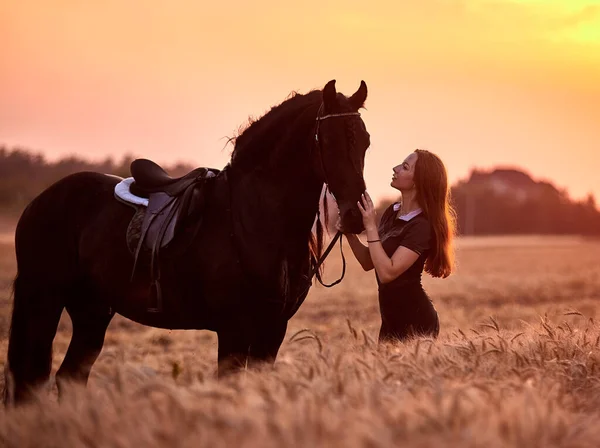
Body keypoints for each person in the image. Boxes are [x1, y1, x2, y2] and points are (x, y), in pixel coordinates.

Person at [337, 149, 456, 343]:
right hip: (390, 321)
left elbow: (387, 273)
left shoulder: (421, 226)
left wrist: (370, 226)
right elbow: (370, 261)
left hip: (417, 321)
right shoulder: (392, 213)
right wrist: (349, 233)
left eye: (405, 167)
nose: (395, 168)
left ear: (418, 181)